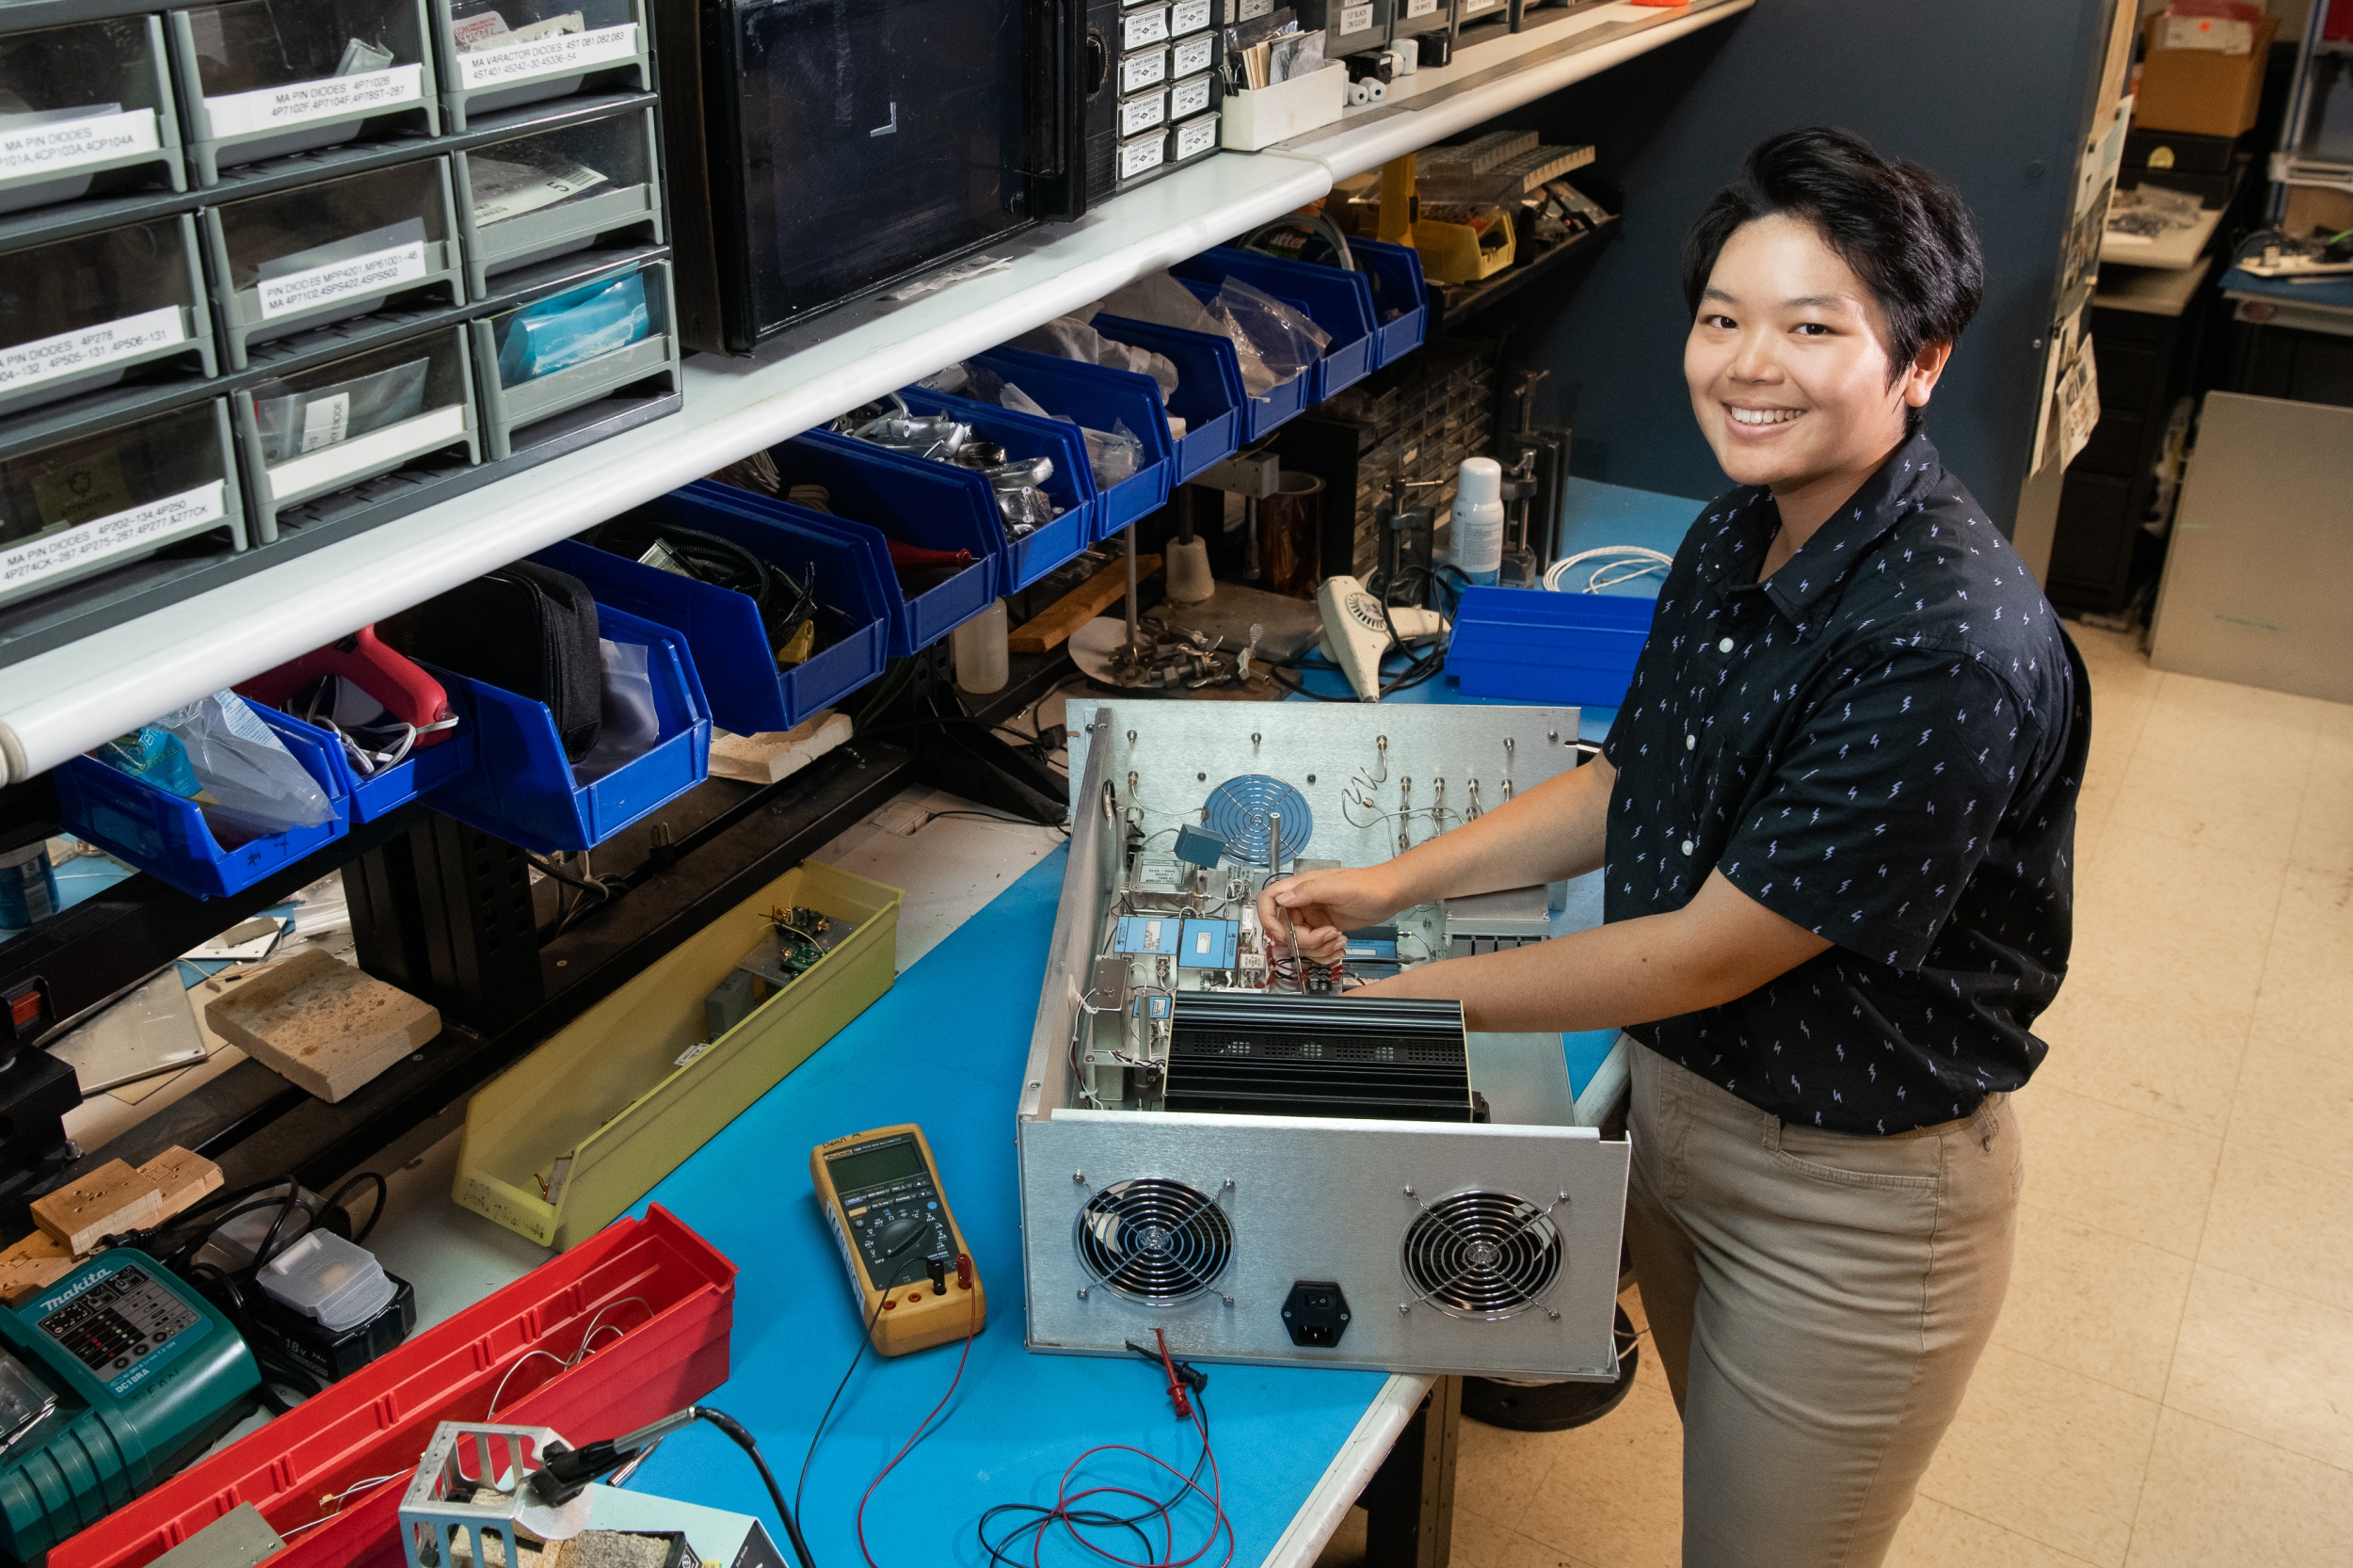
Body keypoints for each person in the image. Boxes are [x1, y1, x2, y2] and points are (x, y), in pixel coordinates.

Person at [1258, 126, 2089, 1568]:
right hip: (1681, 1125)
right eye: (1722, 319)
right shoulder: (1739, 532)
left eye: (1812, 327)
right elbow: (1634, 779)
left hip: (1853, 1198)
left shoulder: (1945, 643)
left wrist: (1384, 1012)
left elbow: (1710, 951)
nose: (1748, 364)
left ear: (1922, 360)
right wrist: (1391, 881)